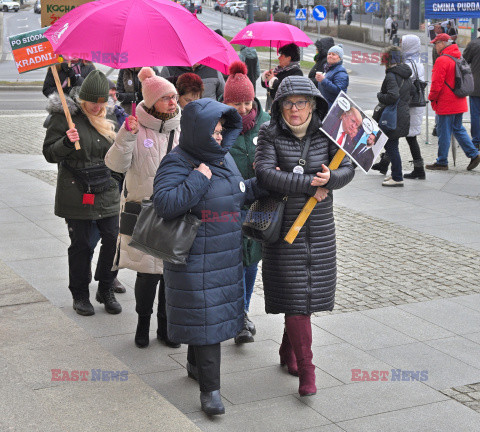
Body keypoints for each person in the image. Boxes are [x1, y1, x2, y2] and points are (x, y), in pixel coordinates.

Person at [152, 99, 267, 416]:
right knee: (207, 321)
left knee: (206, 319)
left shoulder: (223, 158)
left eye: (221, 132)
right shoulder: (176, 162)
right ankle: (210, 391)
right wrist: (198, 178)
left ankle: (194, 366)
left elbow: (239, 192)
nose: (218, 138)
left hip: (223, 255)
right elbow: (164, 203)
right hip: (193, 259)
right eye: (213, 132)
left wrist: (267, 181)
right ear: (196, 130)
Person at [255, 75, 355, 397]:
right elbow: (265, 173)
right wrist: (313, 183)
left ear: (313, 105)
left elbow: (348, 167)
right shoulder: (269, 133)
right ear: (279, 106)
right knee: (297, 295)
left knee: (305, 297)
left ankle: (289, 352)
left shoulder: (327, 132)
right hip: (286, 228)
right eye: (288, 103)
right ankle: (307, 371)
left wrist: (332, 178)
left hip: (320, 228)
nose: (294, 109)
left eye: (301, 102)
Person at [105, 68, 182, 349]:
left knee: (169, 276)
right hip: (144, 212)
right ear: (150, 102)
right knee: (147, 274)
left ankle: (166, 328)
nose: (173, 102)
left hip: (174, 212)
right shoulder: (135, 127)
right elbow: (115, 165)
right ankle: (142, 324)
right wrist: (126, 136)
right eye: (165, 98)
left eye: (174, 97)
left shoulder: (182, 129)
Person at [43, 70, 122, 316]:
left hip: (107, 188)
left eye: (102, 102)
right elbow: (49, 153)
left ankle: (106, 288)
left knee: (113, 240)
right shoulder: (64, 118)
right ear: (82, 99)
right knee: (82, 245)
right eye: (93, 103)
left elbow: (119, 153)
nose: (98, 107)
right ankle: (80, 294)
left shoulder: (110, 116)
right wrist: (66, 142)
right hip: (77, 190)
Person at [223, 61, 271, 344]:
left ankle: (242, 311)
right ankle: (238, 315)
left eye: (247, 102)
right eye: (236, 104)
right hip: (228, 205)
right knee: (233, 263)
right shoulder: (218, 124)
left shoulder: (266, 125)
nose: (242, 109)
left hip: (259, 206)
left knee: (252, 260)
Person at [426, 34, 480, 171]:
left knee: (443, 131)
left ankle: (442, 161)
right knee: (458, 128)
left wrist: (431, 97)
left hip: (446, 102)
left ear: (443, 43)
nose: (435, 46)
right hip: (459, 100)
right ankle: (474, 154)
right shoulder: (458, 56)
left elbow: (436, 84)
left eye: (436, 43)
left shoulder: (442, 60)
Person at [377, 46, 412, 187]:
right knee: (393, 145)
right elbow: (413, 92)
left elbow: (392, 95)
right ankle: (395, 173)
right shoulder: (406, 74)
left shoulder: (391, 75)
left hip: (393, 115)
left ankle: (397, 177)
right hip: (402, 113)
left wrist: (380, 96)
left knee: (391, 146)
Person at [402, 34, 427, 179]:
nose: (401, 45)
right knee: (398, 134)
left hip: (410, 106)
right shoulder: (417, 61)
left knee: (409, 137)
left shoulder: (409, 63)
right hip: (415, 105)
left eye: (403, 43)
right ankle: (385, 162)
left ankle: (419, 169)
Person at [160, 64, 225, 100]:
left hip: (210, 118)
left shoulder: (214, 69)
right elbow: (160, 96)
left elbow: (222, 95)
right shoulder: (169, 69)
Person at [315, 44, 349, 108]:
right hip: (324, 106)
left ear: (340, 58)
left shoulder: (341, 72)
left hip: (332, 109)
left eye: (333, 54)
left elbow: (339, 91)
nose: (330, 56)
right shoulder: (329, 69)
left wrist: (323, 80)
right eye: (329, 54)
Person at [463, 29, 480, 150]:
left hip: (477, 86)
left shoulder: (474, 44)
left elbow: (463, 61)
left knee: (476, 114)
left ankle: (477, 141)